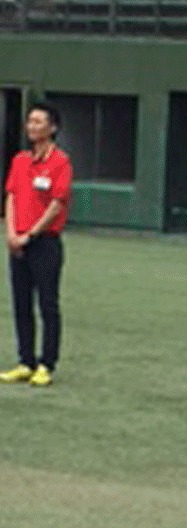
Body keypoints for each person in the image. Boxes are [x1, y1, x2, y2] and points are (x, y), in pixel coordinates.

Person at [1, 100, 72, 387]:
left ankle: (46, 364)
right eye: (30, 121)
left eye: (39, 121)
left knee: (47, 304)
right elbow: (12, 196)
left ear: (52, 127)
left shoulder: (60, 162)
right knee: (20, 303)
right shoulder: (19, 160)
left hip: (45, 243)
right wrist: (11, 233)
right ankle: (25, 361)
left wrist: (29, 235)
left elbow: (56, 204)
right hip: (17, 244)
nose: (32, 126)